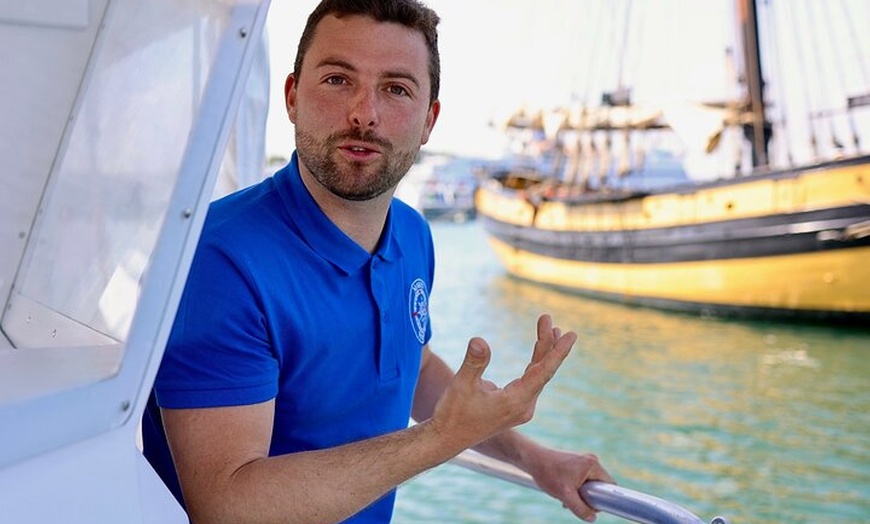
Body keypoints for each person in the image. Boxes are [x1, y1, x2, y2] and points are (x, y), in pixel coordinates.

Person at [142, 1, 615, 522]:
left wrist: (537, 460)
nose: (364, 113)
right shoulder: (219, 258)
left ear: (429, 120)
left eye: (396, 89)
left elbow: (413, 369)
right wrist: (439, 440)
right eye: (338, 80)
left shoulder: (413, 234)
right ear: (293, 97)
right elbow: (226, 504)